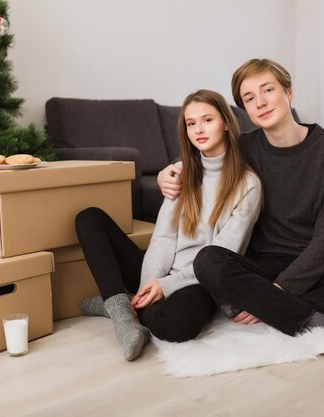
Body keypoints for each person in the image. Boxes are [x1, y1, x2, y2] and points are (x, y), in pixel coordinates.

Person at [157, 59, 324, 348]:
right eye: (249, 98)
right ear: (244, 109)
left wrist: (272, 294)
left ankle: (274, 308)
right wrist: (167, 172)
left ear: (289, 93)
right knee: (208, 260)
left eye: (268, 90)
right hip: (265, 266)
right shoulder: (243, 147)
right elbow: (202, 158)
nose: (261, 103)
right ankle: (321, 321)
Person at [75, 89, 262, 360]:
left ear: (225, 122)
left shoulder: (248, 185)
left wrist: (167, 287)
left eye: (207, 120)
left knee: (176, 326)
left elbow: (221, 259)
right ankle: (123, 315)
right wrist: (148, 286)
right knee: (89, 218)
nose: (198, 129)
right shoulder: (180, 172)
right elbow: (162, 239)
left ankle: (116, 304)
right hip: (162, 271)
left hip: (201, 280)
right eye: (191, 123)